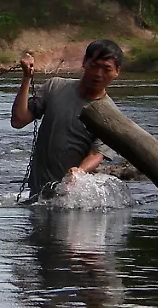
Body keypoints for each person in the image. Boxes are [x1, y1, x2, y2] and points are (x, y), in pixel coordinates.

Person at [11, 40, 123, 197]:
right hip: (37, 192)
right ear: (84, 62)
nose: (98, 74)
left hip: (71, 196)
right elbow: (18, 120)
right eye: (94, 65)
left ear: (117, 71)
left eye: (106, 69)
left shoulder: (110, 114)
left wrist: (79, 172)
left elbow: (97, 154)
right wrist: (26, 78)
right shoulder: (55, 87)